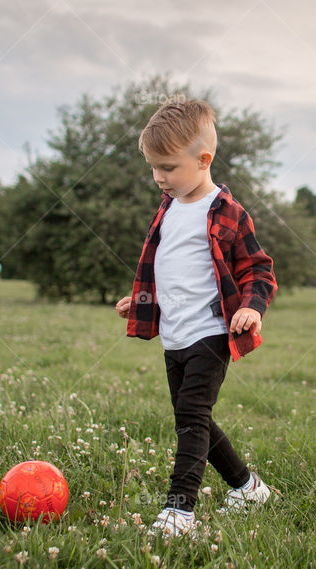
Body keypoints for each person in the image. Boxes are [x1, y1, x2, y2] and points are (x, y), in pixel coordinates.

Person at [115, 99, 278, 537]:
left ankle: (179, 511)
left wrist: (250, 307)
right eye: (153, 168)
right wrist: (144, 299)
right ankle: (248, 488)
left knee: (190, 413)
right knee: (195, 418)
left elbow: (258, 269)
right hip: (175, 335)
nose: (159, 178)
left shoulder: (225, 211)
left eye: (167, 167)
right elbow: (172, 270)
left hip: (210, 331)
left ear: (203, 159)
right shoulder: (168, 208)